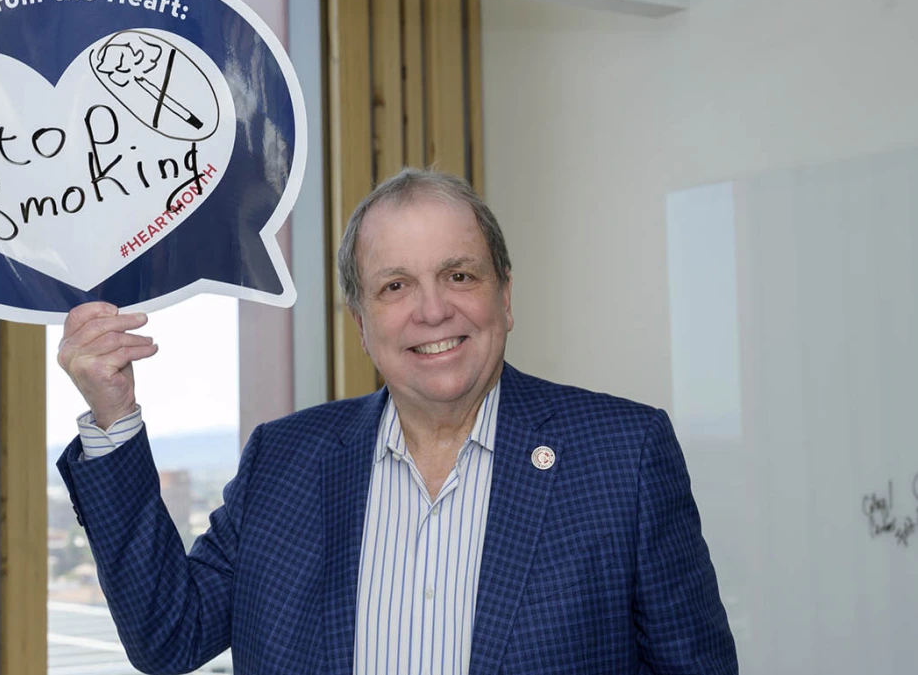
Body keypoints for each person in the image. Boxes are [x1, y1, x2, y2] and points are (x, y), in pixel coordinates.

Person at [56, 168, 738, 675]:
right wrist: (113, 414)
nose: (433, 310)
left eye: (460, 275)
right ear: (361, 323)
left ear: (505, 296)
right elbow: (169, 635)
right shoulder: (282, 462)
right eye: (395, 285)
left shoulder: (625, 456)